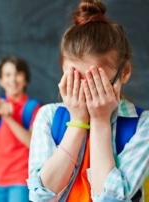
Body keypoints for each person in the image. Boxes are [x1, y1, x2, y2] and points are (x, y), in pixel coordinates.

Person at [27, 0, 149, 201]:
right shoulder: (49, 116)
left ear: (124, 72)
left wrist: (100, 122)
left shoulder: (143, 125)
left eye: (96, 83)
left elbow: (111, 199)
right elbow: (40, 196)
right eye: (75, 81)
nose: (85, 94)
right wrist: (77, 122)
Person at [0, 55, 40, 202]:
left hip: (21, 177)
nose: (13, 80)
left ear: (25, 78)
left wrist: (7, 117)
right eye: (7, 75)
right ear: (0, 80)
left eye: (18, 73)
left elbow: (32, 142)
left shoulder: (33, 108)